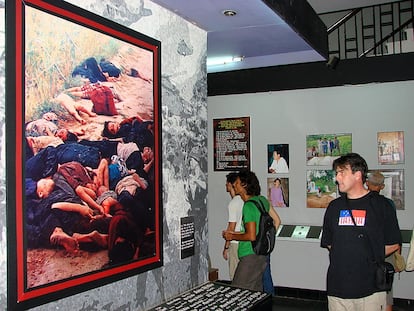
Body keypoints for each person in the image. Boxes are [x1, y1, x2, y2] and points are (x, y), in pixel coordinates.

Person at [321, 153, 402, 311]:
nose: (337, 178)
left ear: (357, 175)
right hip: (338, 288)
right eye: (336, 173)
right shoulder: (334, 207)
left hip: (371, 289)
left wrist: (366, 258)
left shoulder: (381, 206)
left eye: (342, 172)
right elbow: (330, 243)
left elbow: (393, 243)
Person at [222, 170, 281, 292]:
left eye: (237, 183)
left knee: (238, 292)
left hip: (249, 255)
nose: (234, 185)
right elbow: (277, 221)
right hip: (262, 254)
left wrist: (231, 236)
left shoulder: (248, 206)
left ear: (244, 185)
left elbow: (251, 235)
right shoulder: (262, 200)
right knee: (255, 293)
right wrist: (263, 240)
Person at [366, 171, 401, 311]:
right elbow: (394, 232)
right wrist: (397, 255)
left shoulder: (362, 202)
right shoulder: (389, 204)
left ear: (367, 183)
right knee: (386, 293)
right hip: (388, 252)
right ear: (381, 186)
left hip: (368, 252)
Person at [222, 172, 244, 280]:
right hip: (244, 242)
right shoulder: (244, 200)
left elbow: (231, 227)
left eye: (227, 183)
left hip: (235, 243)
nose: (225, 185)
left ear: (231, 184)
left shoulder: (233, 203)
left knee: (234, 274)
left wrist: (226, 247)